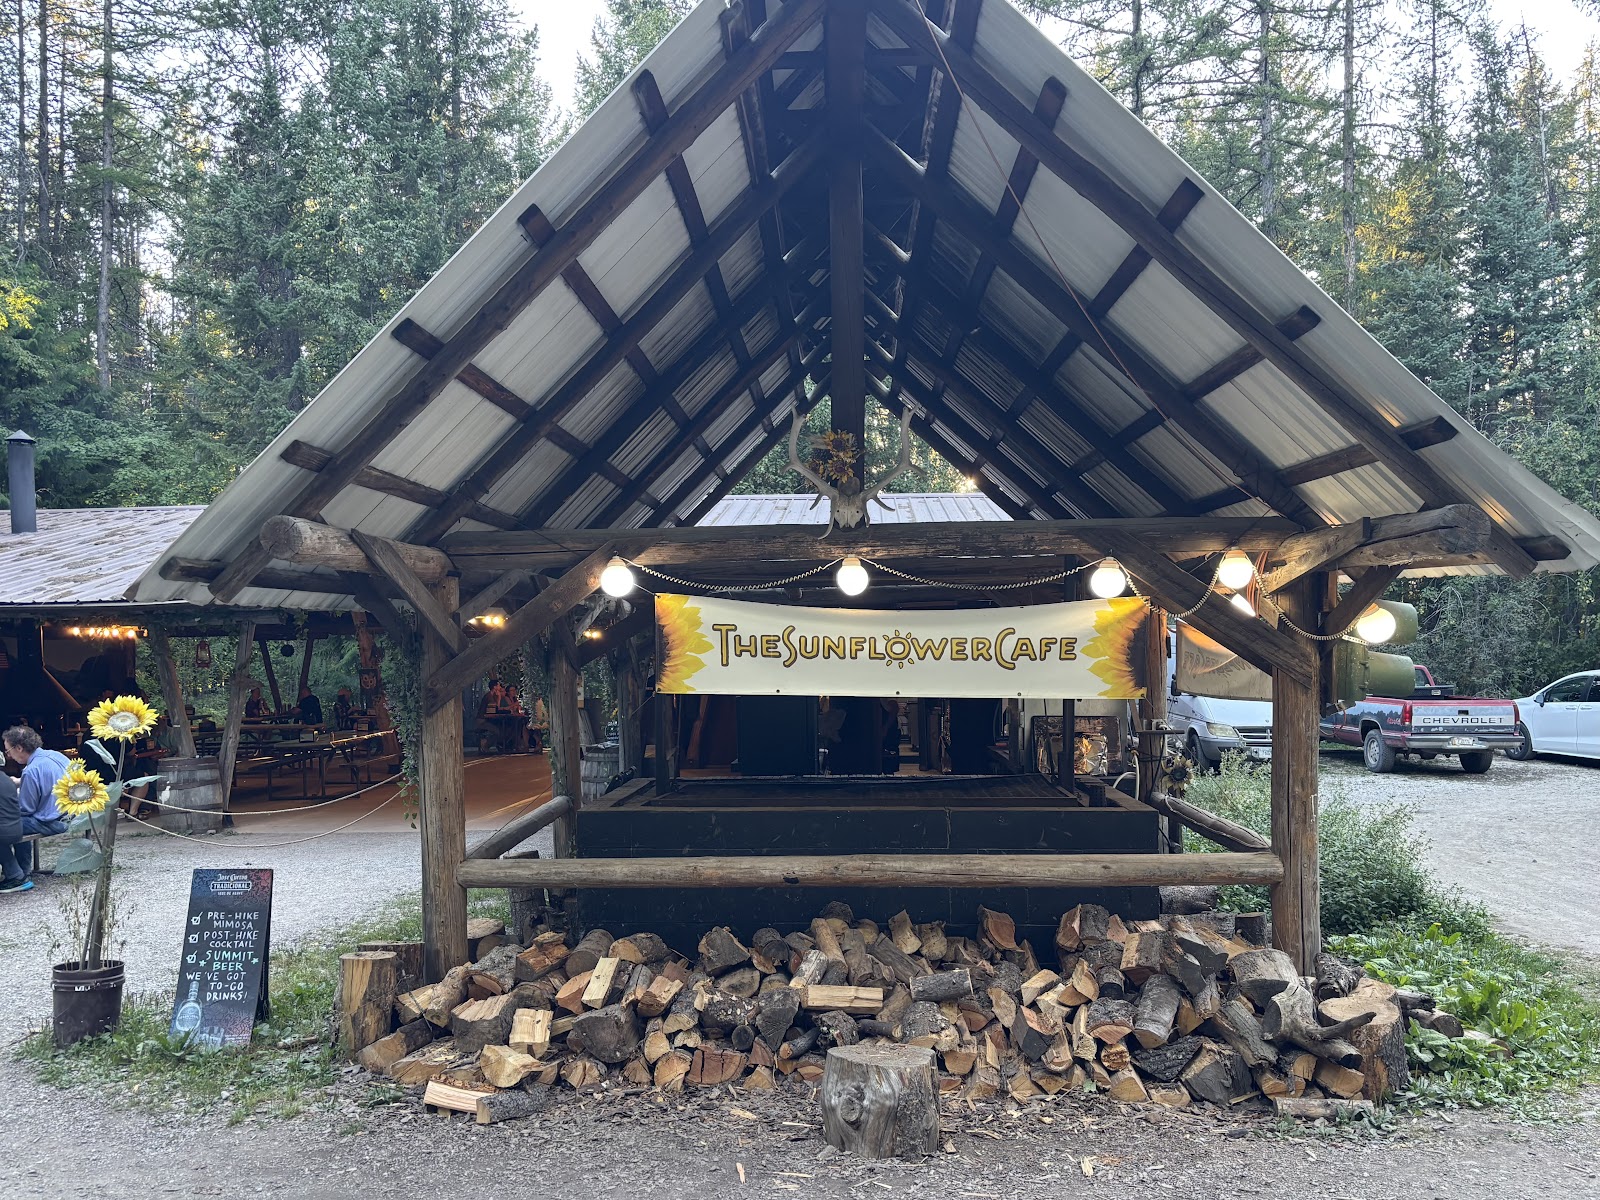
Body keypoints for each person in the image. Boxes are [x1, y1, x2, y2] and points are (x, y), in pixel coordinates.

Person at [3, 726, 70, 876]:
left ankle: (17, 873)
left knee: (10, 823)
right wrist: (21, 782)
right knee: (19, 820)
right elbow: (51, 780)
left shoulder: (31, 771)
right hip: (72, 815)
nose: (9, 756)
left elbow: (26, 809)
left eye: (8, 751)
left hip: (53, 822)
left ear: (19, 748)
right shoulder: (55, 755)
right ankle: (22, 869)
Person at [0, 771, 31, 893]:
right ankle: (20, 872)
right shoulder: (5, 777)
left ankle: (16, 876)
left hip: (4, 831)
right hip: (17, 827)